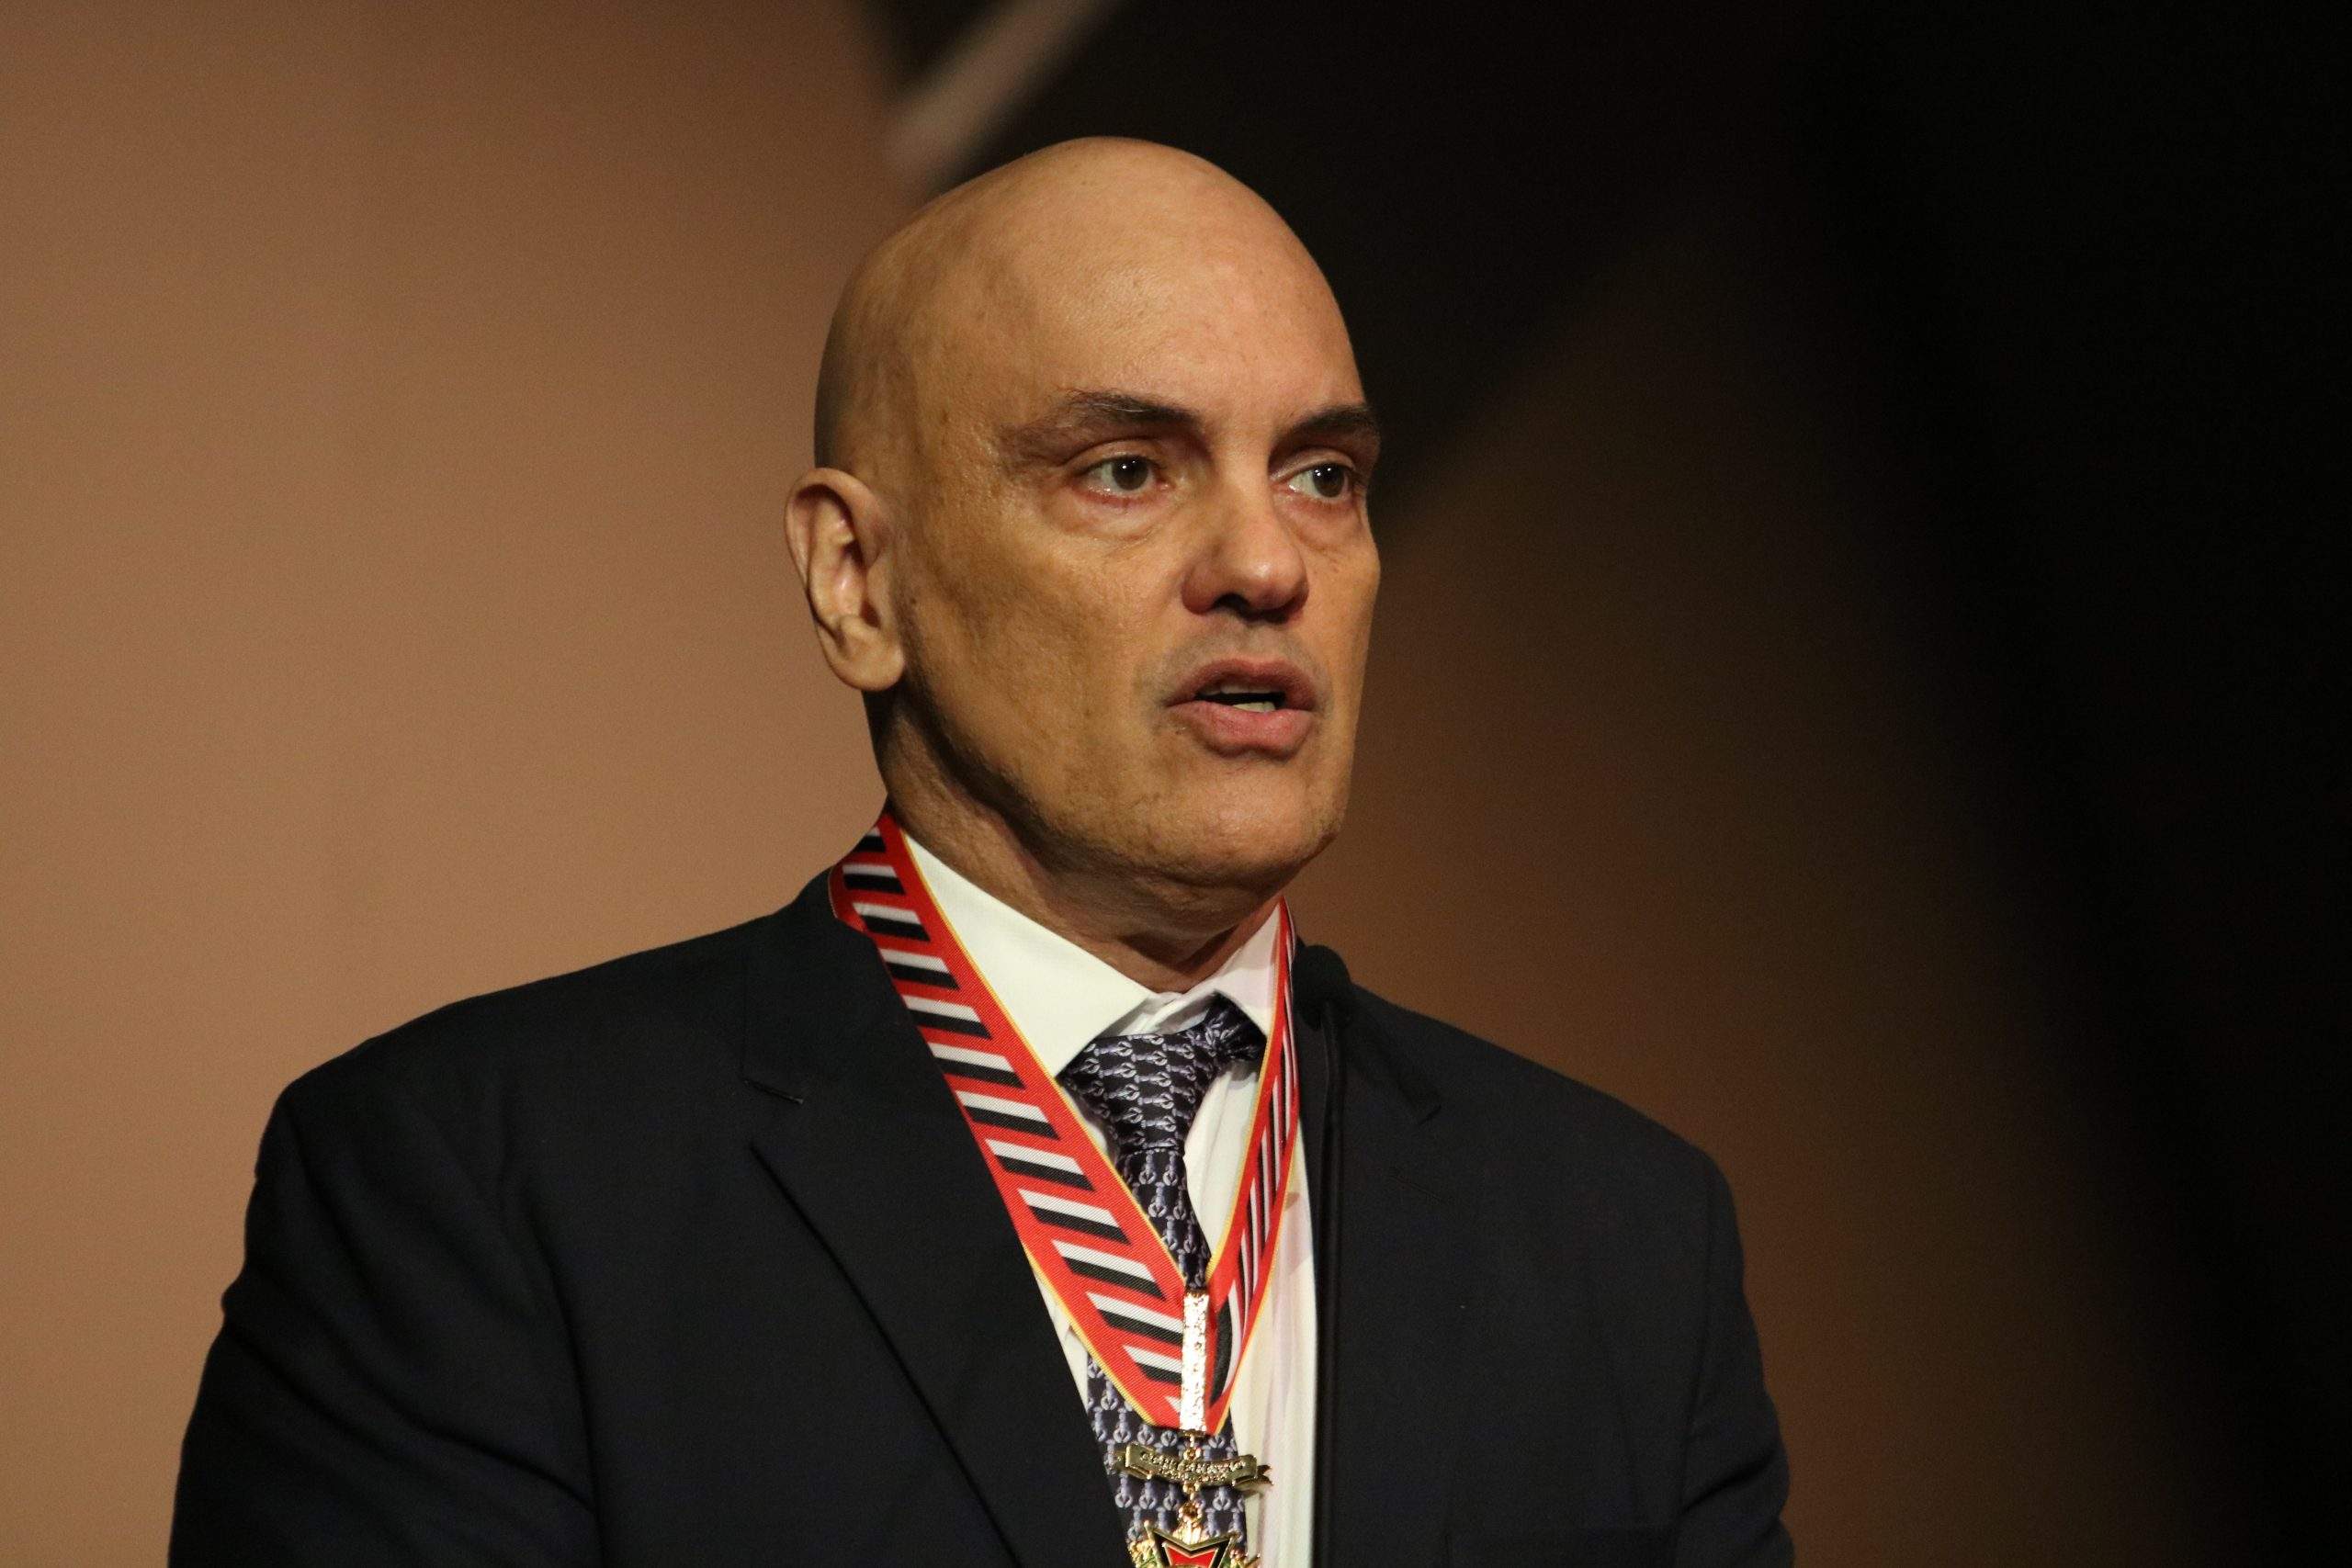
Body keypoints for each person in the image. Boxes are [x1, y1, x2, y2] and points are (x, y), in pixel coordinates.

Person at [173, 138, 1791, 1566]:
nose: (1265, 562)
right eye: (1126, 469)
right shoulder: (482, 1188)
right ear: (858, 581)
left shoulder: (1622, 1238)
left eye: (1323, 476)